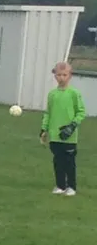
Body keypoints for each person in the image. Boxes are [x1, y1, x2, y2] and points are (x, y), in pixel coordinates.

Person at [40, 62, 86, 196]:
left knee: (69, 162)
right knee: (58, 160)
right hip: (55, 135)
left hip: (69, 136)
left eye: (64, 75)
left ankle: (72, 186)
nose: (61, 78)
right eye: (58, 75)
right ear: (55, 76)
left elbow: (81, 112)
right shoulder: (52, 94)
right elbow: (48, 113)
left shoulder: (74, 93)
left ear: (70, 76)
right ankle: (60, 185)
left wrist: (72, 126)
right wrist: (44, 129)